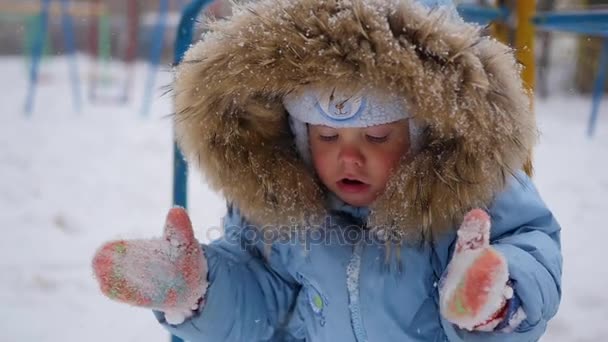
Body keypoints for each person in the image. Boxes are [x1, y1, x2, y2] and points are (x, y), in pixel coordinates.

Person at [92, 0, 562, 341]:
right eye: (327, 138)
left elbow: (533, 245)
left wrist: (497, 296)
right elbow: (261, 304)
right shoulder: (283, 211)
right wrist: (202, 293)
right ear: (300, 136)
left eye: (377, 138)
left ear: (423, 136)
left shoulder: (471, 195)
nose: (348, 158)